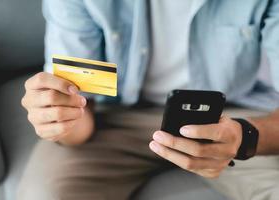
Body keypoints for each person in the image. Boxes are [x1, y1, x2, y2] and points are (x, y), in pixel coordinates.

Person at [18, 1, 279, 200]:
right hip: (113, 118)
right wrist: (59, 118)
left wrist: (243, 137)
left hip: (235, 116)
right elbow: (78, 122)